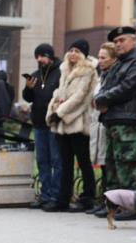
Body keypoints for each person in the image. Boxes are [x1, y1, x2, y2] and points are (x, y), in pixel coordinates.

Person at [93, 25, 136, 221]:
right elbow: (105, 87)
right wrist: (101, 98)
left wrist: (102, 100)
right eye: (116, 41)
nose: (118, 44)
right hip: (112, 120)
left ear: (134, 41)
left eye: (122, 40)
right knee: (111, 165)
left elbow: (127, 88)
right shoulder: (118, 64)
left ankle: (131, 208)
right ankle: (113, 204)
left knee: (128, 165)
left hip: (128, 120)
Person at [45, 39, 98, 212]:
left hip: (78, 121)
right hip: (63, 122)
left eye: (77, 51)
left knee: (83, 162)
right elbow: (60, 92)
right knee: (65, 162)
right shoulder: (65, 69)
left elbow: (81, 97)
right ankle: (63, 198)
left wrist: (60, 112)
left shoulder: (88, 70)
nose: (73, 54)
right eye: (71, 50)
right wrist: (54, 105)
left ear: (83, 54)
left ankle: (88, 198)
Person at [22, 43, 62, 209]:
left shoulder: (60, 73)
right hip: (38, 124)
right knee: (42, 161)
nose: (39, 59)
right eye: (37, 57)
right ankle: (45, 195)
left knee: (56, 160)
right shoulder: (35, 75)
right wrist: (28, 88)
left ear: (50, 57)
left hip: (53, 123)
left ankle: (56, 195)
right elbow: (28, 98)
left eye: (42, 56)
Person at [88, 43, 117, 213]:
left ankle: (110, 202)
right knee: (102, 164)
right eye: (99, 57)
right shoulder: (102, 76)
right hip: (97, 123)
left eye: (103, 57)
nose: (99, 61)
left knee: (108, 165)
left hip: (107, 123)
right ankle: (103, 200)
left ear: (113, 59)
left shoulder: (113, 76)